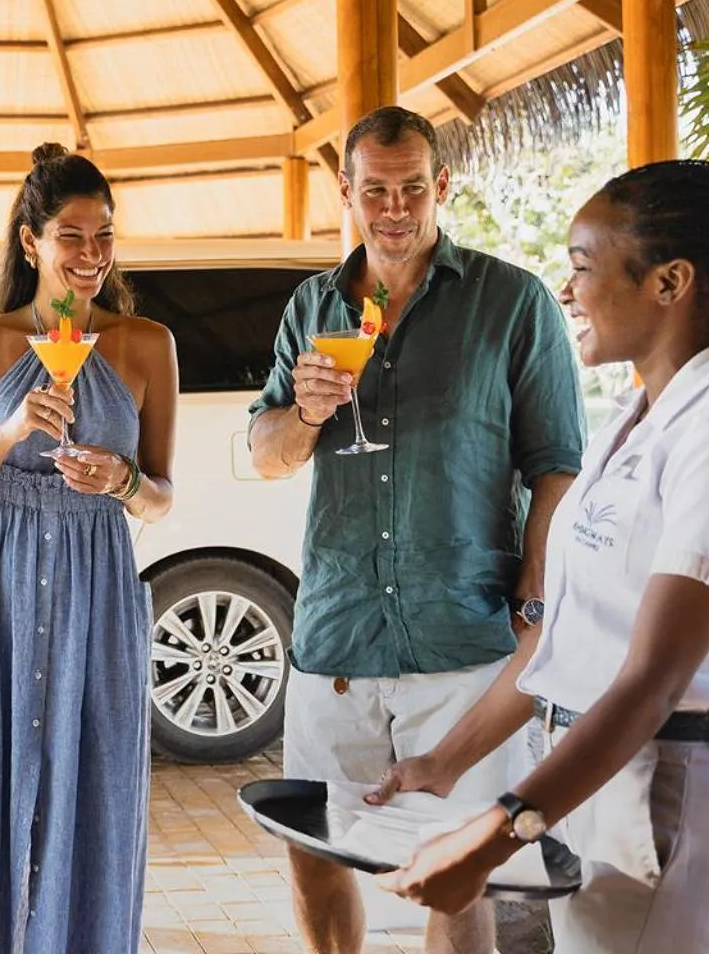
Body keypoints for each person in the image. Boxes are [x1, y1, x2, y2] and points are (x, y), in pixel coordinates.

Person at [371, 160, 709, 954]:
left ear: (669, 281)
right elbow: (567, 644)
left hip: (670, 798)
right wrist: (444, 763)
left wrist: (498, 834)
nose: (565, 291)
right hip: (603, 782)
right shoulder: (637, 420)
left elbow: (651, 681)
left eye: (582, 266)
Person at [248, 106, 585, 954]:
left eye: (409, 190)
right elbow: (267, 452)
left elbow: (557, 466)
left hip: (462, 630)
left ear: (439, 187)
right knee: (315, 853)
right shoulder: (312, 305)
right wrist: (307, 415)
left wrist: (534, 603)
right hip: (337, 635)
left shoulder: (512, 301)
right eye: (374, 192)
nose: (392, 210)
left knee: (454, 866)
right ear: (348, 193)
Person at [0, 143, 180, 954]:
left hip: (98, 600)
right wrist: (10, 430)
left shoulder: (146, 344)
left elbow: (161, 495)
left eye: (104, 237)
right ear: (30, 242)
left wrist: (121, 482)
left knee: (92, 809)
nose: (91, 258)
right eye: (72, 238)